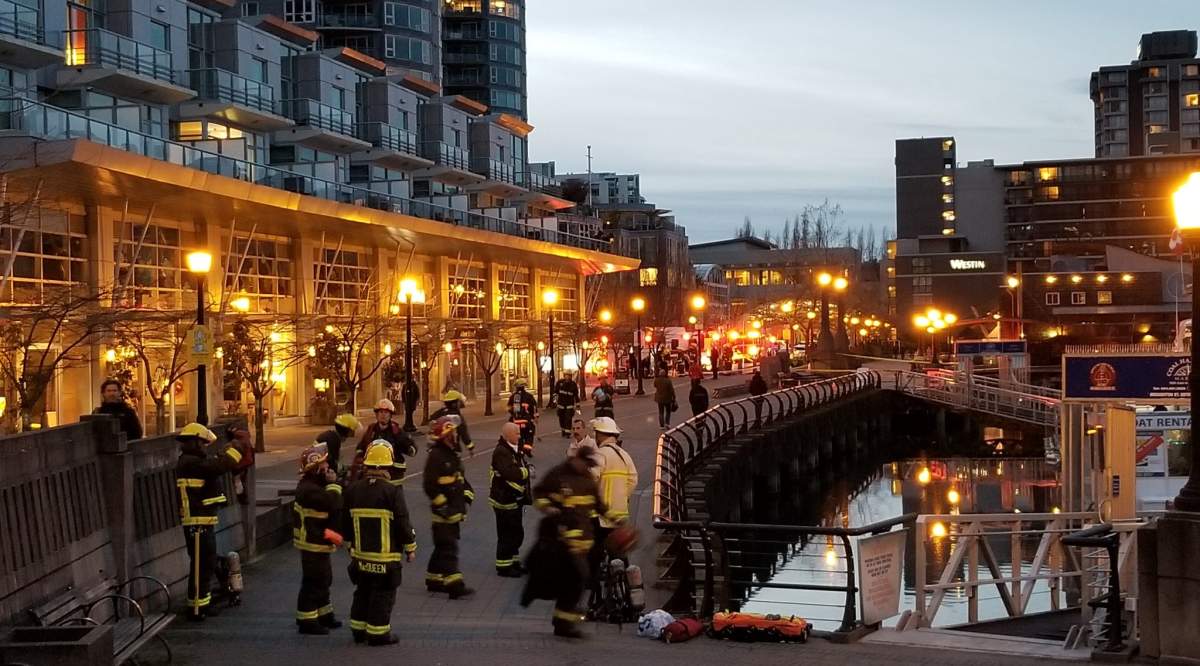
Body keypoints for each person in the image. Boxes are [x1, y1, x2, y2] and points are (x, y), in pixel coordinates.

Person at [530, 445, 622, 638]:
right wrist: (549, 509)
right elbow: (538, 493)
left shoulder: (588, 480)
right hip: (563, 540)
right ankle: (566, 623)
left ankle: (562, 621)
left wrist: (616, 519)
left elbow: (599, 505)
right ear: (576, 459)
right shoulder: (557, 475)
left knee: (573, 581)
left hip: (583, 540)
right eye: (586, 463)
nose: (588, 468)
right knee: (578, 578)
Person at [341, 440, 417, 646]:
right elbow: (402, 522)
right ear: (388, 466)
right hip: (386, 558)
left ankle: (358, 630)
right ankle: (378, 633)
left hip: (360, 557)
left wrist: (349, 544)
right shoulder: (392, 492)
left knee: (362, 592)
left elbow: (345, 521)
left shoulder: (353, 489)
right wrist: (410, 547)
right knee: (383, 596)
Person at [174, 422, 242, 621]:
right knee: (201, 565)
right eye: (203, 444)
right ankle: (196, 608)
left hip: (202, 520)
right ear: (194, 442)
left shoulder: (192, 460)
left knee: (206, 563)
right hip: (196, 522)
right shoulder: (190, 462)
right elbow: (219, 466)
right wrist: (235, 449)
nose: (205, 447)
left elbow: (213, 465)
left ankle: (202, 603)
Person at [292, 443, 343, 635]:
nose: (327, 466)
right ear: (314, 467)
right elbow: (332, 503)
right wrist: (334, 484)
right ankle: (307, 620)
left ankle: (324, 615)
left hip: (319, 542)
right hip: (312, 543)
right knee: (313, 581)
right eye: (323, 464)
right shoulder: (309, 489)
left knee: (324, 579)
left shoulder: (314, 485)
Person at [587, 417, 637, 609]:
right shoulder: (625, 455)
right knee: (620, 556)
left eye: (596, 433)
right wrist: (621, 497)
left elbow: (591, 479)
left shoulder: (600, 455)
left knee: (594, 556)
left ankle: (596, 599)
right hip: (620, 515)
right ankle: (626, 595)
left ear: (601, 434)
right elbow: (633, 480)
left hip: (600, 517)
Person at [423, 417, 474, 598]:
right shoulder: (437, 456)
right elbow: (429, 485)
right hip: (443, 515)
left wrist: (467, 496)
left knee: (441, 547)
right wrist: (442, 505)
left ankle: (433, 579)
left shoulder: (451, 455)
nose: (455, 436)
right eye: (452, 433)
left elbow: (460, 481)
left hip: (453, 512)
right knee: (448, 548)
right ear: (445, 436)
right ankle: (454, 585)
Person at [490, 422, 531, 577]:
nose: (519, 436)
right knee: (506, 534)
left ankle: (513, 561)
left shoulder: (514, 449)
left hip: (514, 499)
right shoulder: (501, 452)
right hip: (504, 500)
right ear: (507, 435)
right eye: (517, 433)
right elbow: (510, 473)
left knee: (516, 532)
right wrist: (525, 472)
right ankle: (503, 566)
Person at [355, 399, 416, 484]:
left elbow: (411, 448)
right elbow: (361, 447)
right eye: (381, 412)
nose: (383, 415)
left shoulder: (397, 431)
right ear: (377, 414)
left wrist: (408, 447)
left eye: (386, 412)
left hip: (393, 474)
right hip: (373, 472)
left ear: (390, 415)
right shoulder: (371, 430)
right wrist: (360, 456)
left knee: (396, 495)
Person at [429, 390, 475, 455]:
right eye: (459, 402)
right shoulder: (457, 417)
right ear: (454, 404)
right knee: (456, 464)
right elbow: (463, 433)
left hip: (436, 446)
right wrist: (470, 447)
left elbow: (431, 421)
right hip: (452, 448)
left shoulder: (440, 412)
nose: (460, 404)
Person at [508, 378, 538, 456]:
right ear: (524, 386)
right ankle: (527, 449)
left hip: (516, 421)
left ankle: (520, 450)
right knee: (529, 435)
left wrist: (513, 414)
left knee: (519, 436)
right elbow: (534, 408)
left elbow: (509, 408)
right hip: (527, 420)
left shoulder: (513, 396)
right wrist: (535, 418)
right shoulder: (529, 396)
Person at [553, 371, 580, 437]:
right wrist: (554, 401)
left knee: (568, 419)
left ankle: (568, 433)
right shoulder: (559, 383)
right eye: (566, 375)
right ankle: (563, 430)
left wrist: (578, 405)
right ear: (564, 376)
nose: (567, 377)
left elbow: (576, 395)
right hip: (560, 405)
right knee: (561, 418)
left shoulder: (573, 384)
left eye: (569, 376)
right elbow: (555, 393)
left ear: (571, 376)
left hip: (569, 405)